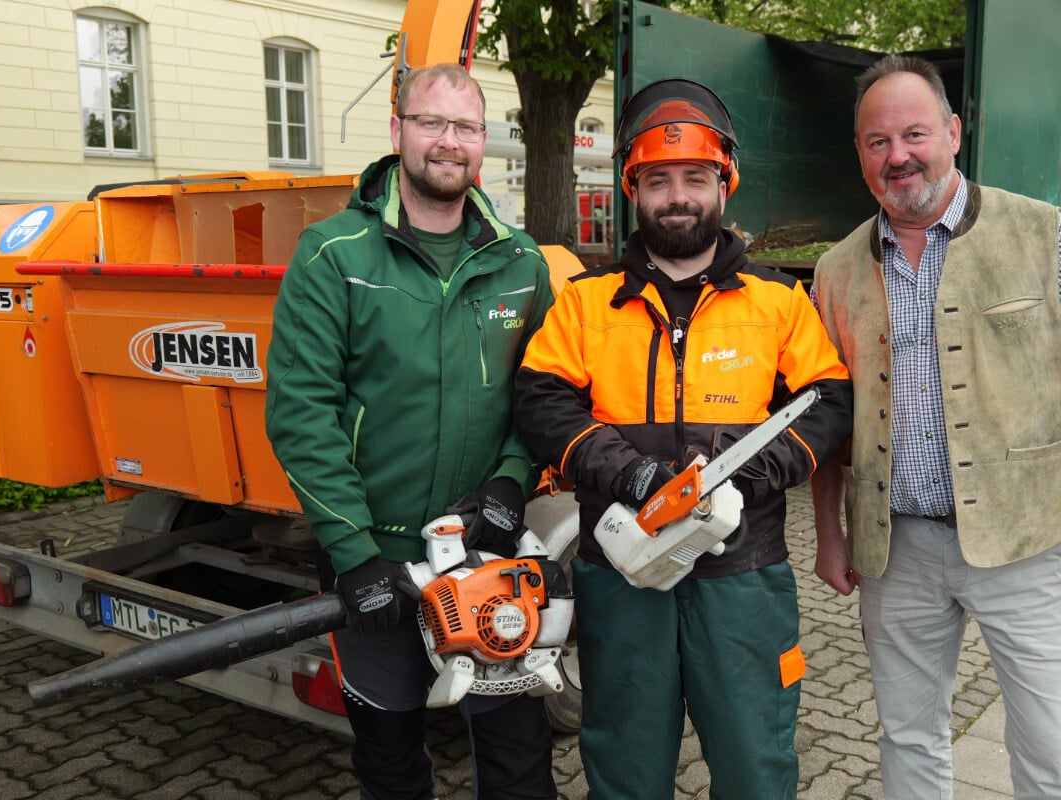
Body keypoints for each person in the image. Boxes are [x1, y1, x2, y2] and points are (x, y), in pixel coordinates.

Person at [513, 78, 853, 800]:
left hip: (744, 575)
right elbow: (541, 401)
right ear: (634, 190)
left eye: (695, 178)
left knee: (756, 767)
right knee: (625, 770)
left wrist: (749, 475)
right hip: (621, 575)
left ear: (724, 185)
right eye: (659, 180)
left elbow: (826, 401)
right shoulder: (585, 302)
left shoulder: (778, 303)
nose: (678, 196)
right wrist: (631, 475)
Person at [264, 63, 557, 800]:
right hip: (379, 566)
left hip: (488, 564)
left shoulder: (520, 262)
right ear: (397, 132)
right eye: (430, 122)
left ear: (483, 143)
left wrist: (512, 480)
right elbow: (302, 413)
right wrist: (354, 554)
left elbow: (546, 394)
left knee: (518, 760)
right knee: (390, 760)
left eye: (463, 127)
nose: (447, 142)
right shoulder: (333, 255)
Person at [811, 54, 1061, 800]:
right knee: (908, 738)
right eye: (877, 142)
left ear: (952, 132)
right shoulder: (834, 270)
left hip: (1026, 544)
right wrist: (830, 534)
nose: (899, 156)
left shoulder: (1044, 236)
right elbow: (827, 424)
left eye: (914, 133)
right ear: (859, 154)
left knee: (1050, 741)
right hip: (896, 551)